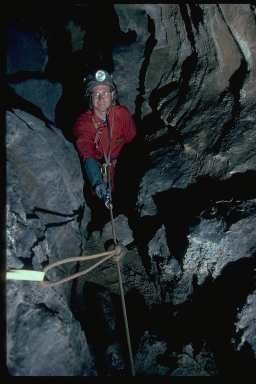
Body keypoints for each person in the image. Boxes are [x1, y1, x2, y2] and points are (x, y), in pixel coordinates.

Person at [73, 69, 137, 234]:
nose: (101, 98)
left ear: (112, 95)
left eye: (105, 93)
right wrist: (97, 182)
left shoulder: (122, 114)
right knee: (100, 204)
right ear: (90, 98)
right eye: (96, 94)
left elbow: (132, 140)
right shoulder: (83, 123)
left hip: (121, 166)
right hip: (98, 169)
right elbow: (86, 153)